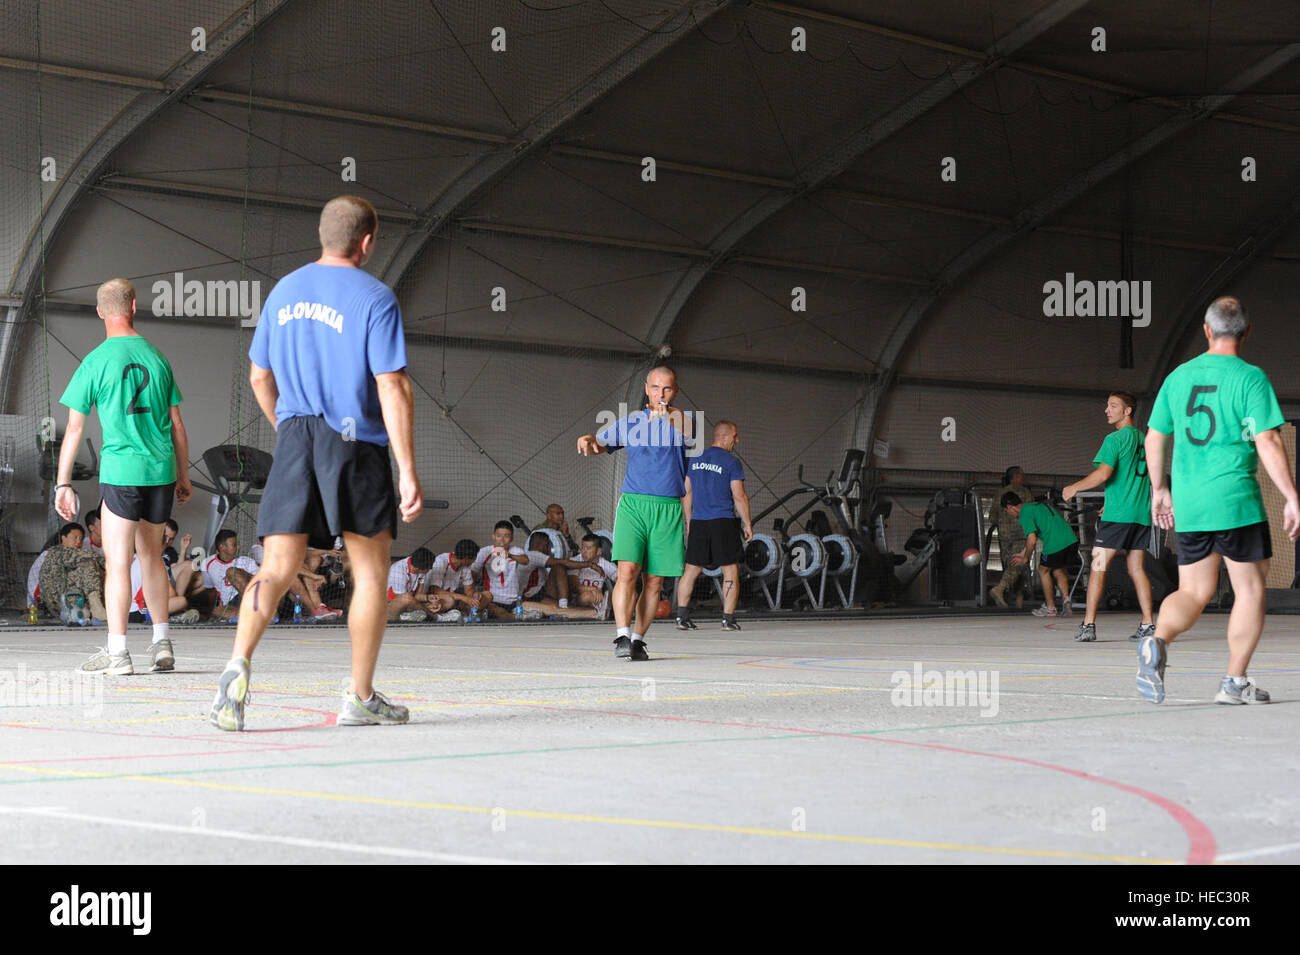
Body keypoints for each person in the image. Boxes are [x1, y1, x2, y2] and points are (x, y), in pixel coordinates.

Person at [209, 195, 423, 730]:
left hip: (297, 435)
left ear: (322, 235)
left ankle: (235, 674)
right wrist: (408, 468)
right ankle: (359, 696)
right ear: (368, 242)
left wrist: (287, 428)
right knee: (370, 573)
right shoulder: (375, 297)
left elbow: (259, 376)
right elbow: (392, 384)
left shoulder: (284, 292)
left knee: (277, 568)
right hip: (355, 443)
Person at [1138, 296, 1300, 705]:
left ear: (1206, 331)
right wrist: (1291, 495)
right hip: (1235, 501)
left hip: (1191, 504)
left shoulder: (1178, 377)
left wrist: (1160, 489)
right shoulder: (1250, 378)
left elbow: (1155, 436)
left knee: (1193, 590)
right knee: (1249, 589)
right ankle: (1234, 681)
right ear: (1247, 332)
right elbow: (1267, 438)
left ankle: (1156, 642)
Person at [54, 278, 192, 675]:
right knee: (152, 556)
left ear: (100, 312)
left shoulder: (95, 361)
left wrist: (63, 483)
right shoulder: (157, 357)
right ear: (134, 306)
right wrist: (182, 475)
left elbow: (75, 429)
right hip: (161, 471)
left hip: (121, 473)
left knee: (118, 562)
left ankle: (118, 654)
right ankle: (161, 642)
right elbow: (177, 425)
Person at [576, 365, 695, 661]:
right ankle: (622, 635)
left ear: (675, 390)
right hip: (633, 504)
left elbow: (689, 432)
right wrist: (589, 439)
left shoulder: (687, 421)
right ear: (646, 389)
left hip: (668, 507)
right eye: (656, 388)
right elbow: (599, 446)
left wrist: (664, 415)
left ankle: (639, 639)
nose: (661, 394)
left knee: (655, 581)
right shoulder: (630, 422)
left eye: (667, 388)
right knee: (628, 571)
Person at [1062, 392, 1154, 643]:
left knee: (1098, 567)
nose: (1107, 409)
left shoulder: (1115, 439)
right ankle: (1148, 624)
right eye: (1107, 405)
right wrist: (1112, 503)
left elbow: (1103, 474)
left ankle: (1088, 625)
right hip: (1140, 515)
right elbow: (1138, 478)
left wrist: (1075, 487)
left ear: (1128, 411)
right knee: (1136, 568)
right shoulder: (1145, 440)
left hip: (1119, 518)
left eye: (1113, 406)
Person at [675, 420, 752, 631]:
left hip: (699, 521)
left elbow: (686, 492)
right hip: (723, 522)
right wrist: (747, 523)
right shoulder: (731, 462)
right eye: (735, 436)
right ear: (725, 437)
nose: (737, 441)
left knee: (691, 570)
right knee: (730, 571)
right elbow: (739, 495)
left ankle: (681, 617)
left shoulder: (696, 458)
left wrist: (690, 521)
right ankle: (727, 619)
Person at [1003, 494, 1077, 618]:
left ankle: (1051, 608)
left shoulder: (1024, 514)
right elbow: (1036, 536)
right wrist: (1023, 553)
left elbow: (1031, 540)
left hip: (1054, 543)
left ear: (1011, 507)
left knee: (1043, 570)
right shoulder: (1037, 506)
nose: (1008, 514)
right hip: (1071, 540)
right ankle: (1066, 600)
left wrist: (1026, 558)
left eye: (1006, 511)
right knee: (1058, 570)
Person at [987, 466, 1033, 607]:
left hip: (1004, 536)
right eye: (1021, 475)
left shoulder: (1000, 493)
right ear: (1017, 476)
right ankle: (1003, 590)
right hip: (1022, 534)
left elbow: (992, 517)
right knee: (1019, 564)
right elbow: (1030, 513)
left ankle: (1016, 597)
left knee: (1010, 566)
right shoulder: (1025, 493)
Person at [27, 522, 85, 612]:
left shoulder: (75, 554)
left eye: (81, 539)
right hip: (40, 597)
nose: (78, 542)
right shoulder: (50, 554)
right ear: (63, 538)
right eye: (75, 537)